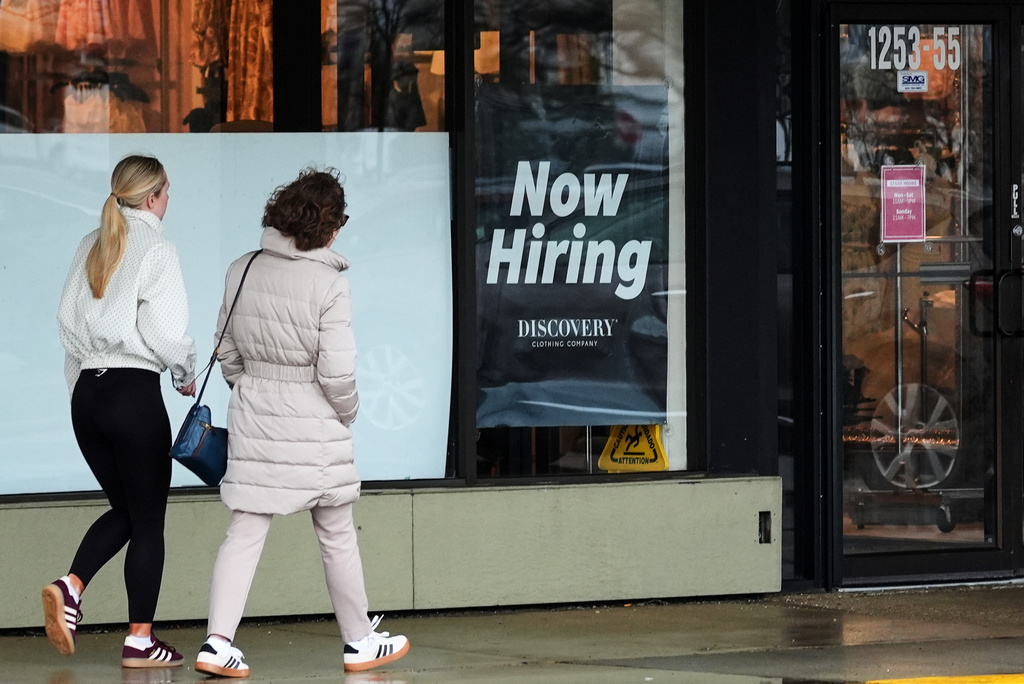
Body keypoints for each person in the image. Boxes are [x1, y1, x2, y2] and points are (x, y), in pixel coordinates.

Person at [194, 167, 409, 678]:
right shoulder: (330, 284)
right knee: (336, 532)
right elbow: (336, 375)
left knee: (244, 530)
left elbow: (225, 348)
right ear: (329, 227)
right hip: (315, 423)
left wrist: (252, 388)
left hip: (254, 413)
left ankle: (217, 643)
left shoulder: (241, 268)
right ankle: (359, 642)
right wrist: (348, 413)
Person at [46, 154, 197, 668]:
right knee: (149, 520)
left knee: (128, 511)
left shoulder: (89, 244)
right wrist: (184, 371)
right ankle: (140, 639)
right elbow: (164, 332)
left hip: (88, 394)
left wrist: (82, 388)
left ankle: (71, 586)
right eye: (167, 192)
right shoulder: (157, 247)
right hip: (133, 394)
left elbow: (66, 325)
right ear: (152, 197)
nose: (169, 201)